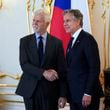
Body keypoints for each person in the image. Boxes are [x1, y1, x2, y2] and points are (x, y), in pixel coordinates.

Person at [15, 9, 67, 110]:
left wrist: (63, 94)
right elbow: (24, 65)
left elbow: (62, 70)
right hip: (30, 91)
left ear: (47, 23)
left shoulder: (57, 43)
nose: (34, 23)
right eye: (33, 20)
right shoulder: (25, 41)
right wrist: (44, 72)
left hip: (51, 92)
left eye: (38, 21)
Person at [63, 9, 104, 110]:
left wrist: (88, 93)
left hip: (86, 96)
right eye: (64, 21)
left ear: (78, 21)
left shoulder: (87, 39)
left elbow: (94, 68)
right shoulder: (71, 41)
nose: (64, 24)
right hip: (74, 95)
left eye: (68, 21)